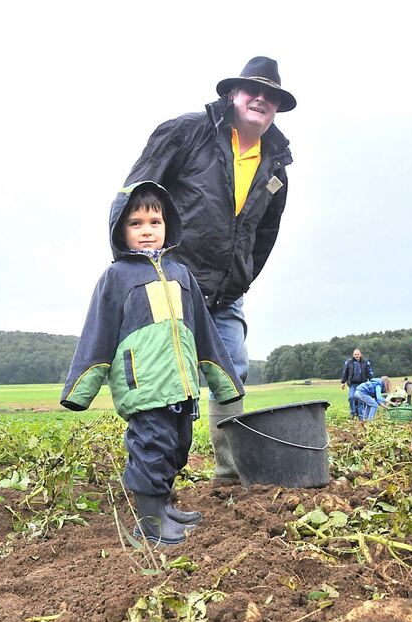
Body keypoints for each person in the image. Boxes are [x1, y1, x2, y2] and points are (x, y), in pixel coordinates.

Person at [122, 56, 296, 482]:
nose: (261, 98)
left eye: (270, 94)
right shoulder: (187, 133)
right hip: (171, 279)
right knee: (163, 380)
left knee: (230, 373)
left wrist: (242, 275)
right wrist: (137, 266)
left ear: (276, 107)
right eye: (252, 89)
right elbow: (136, 193)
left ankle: (229, 475)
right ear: (232, 94)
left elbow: (265, 232)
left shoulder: (275, 166)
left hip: (226, 292)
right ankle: (153, 479)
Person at [61, 182, 244, 546]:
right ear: (120, 231)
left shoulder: (181, 274)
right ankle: (148, 524)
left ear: (168, 226)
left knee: (177, 448)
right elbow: (96, 335)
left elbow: (205, 335)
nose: (147, 230)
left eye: (155, 221)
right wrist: (79, 389)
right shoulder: (116, 278)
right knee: (151, 449)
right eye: (136, 223)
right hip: (144, 389)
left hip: (182, 387)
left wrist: (224, 382)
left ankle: (163, 506)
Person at [341, 348, 374, 418]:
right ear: (353, 355)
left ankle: (361, 415)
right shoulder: (348, 362)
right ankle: (352, 412)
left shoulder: (366, 362)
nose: (356, 356)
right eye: (355, 354)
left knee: (360, 399)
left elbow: (370, 372)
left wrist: (372, 381)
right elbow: (345, 373)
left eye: (358, 354)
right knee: (351, 397)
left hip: (362, 384)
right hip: (352, 383)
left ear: (360, 354)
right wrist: (343, 382)